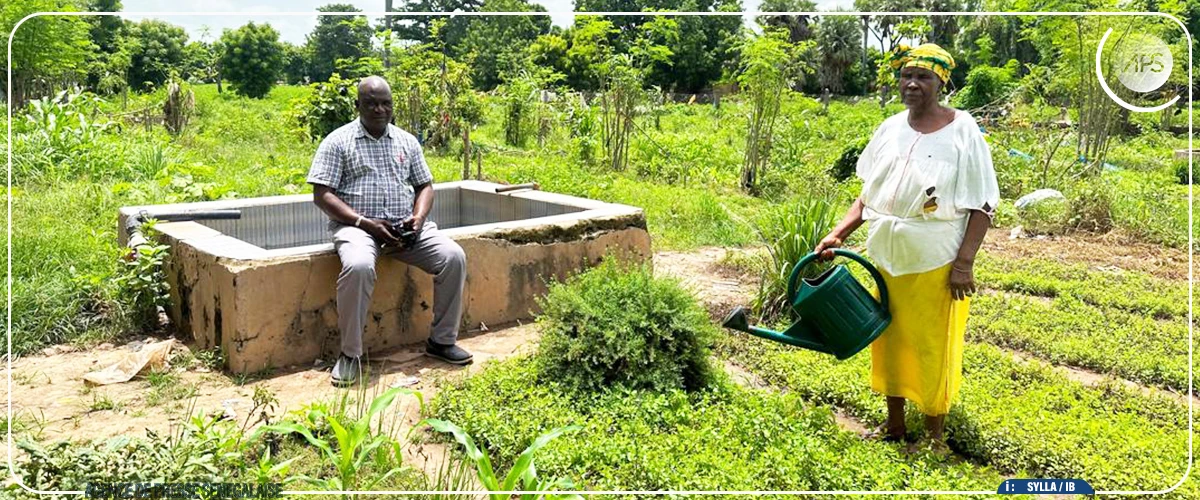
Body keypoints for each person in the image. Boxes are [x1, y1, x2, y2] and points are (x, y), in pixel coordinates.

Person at [813, 44, 999, 450]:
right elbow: (867, 195)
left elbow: (983, 204)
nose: (912, 84)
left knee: (932, 345)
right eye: (906, 76)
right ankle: (894, 425)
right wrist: (839, 233)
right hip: (885, 258)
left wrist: (964, 264)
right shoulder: (890, 128)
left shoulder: (963, 130)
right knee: (889, 340)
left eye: (924, 77)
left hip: (935, 258)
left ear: (941, 83)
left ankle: (934, 435)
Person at [307, 75, 473, 388]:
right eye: (371, 103)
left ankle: (441, 341)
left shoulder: (406, 141)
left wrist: (419, 218)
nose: (379, 109)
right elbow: (322, 194)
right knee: (358, 266)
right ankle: (351, 354)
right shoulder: (337, 141)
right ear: (358, 105)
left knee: (453, 256)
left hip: (404, 227)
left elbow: (425, 185)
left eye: (386, 103)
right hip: (358, 227)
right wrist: (365, 223)